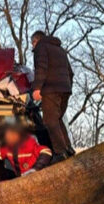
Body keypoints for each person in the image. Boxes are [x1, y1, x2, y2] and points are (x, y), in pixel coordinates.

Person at [31, 31, 74, 161]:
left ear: (36, 40)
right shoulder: (60, 50)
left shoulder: (41, 47)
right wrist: (67, 86)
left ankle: (60, 153)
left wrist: (37, 88)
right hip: (65, 89)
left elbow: (41, 68)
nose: (32, 47)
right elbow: (70, 72)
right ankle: (68, 148)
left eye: (32, 43)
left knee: (49, 121)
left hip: (51, 88)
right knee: (58, 119)